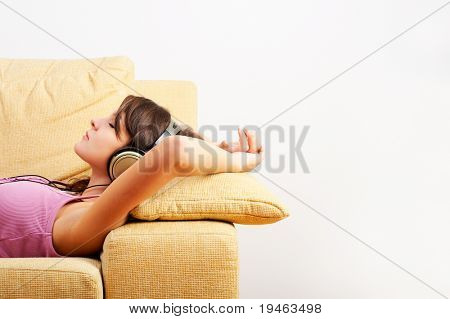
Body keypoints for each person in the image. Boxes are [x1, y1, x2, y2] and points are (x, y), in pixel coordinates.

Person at [0, 95, 263, 258]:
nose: (95, 120)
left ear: (131, 161)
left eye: (113, 125)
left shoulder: (88, 220)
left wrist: (243, 162)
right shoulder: (74, 199)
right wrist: (215, 147)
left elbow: (174, 151)